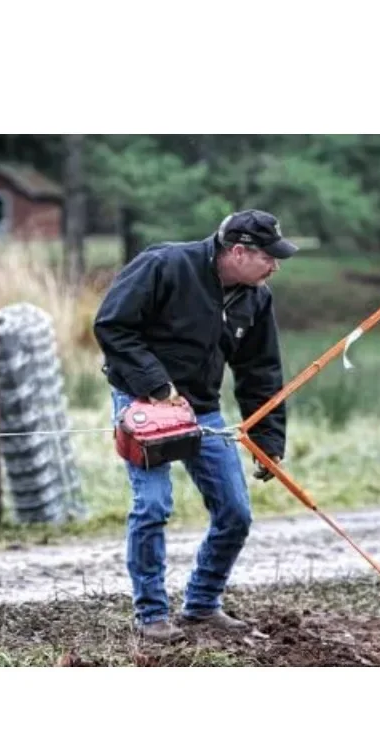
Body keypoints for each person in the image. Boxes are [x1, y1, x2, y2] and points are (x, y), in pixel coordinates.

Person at [92, 209, 298, 641]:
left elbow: (261, 371)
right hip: (140, 403)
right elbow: (113, 326)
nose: (275, 266)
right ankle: (151, 615)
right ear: (239, 251)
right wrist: (157, 386)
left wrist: (268, 438)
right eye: (269, 257)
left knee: (236, 513)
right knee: (152, 506)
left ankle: (202, 606)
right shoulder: (164, 265)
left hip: (202, 410)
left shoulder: (255, 298)